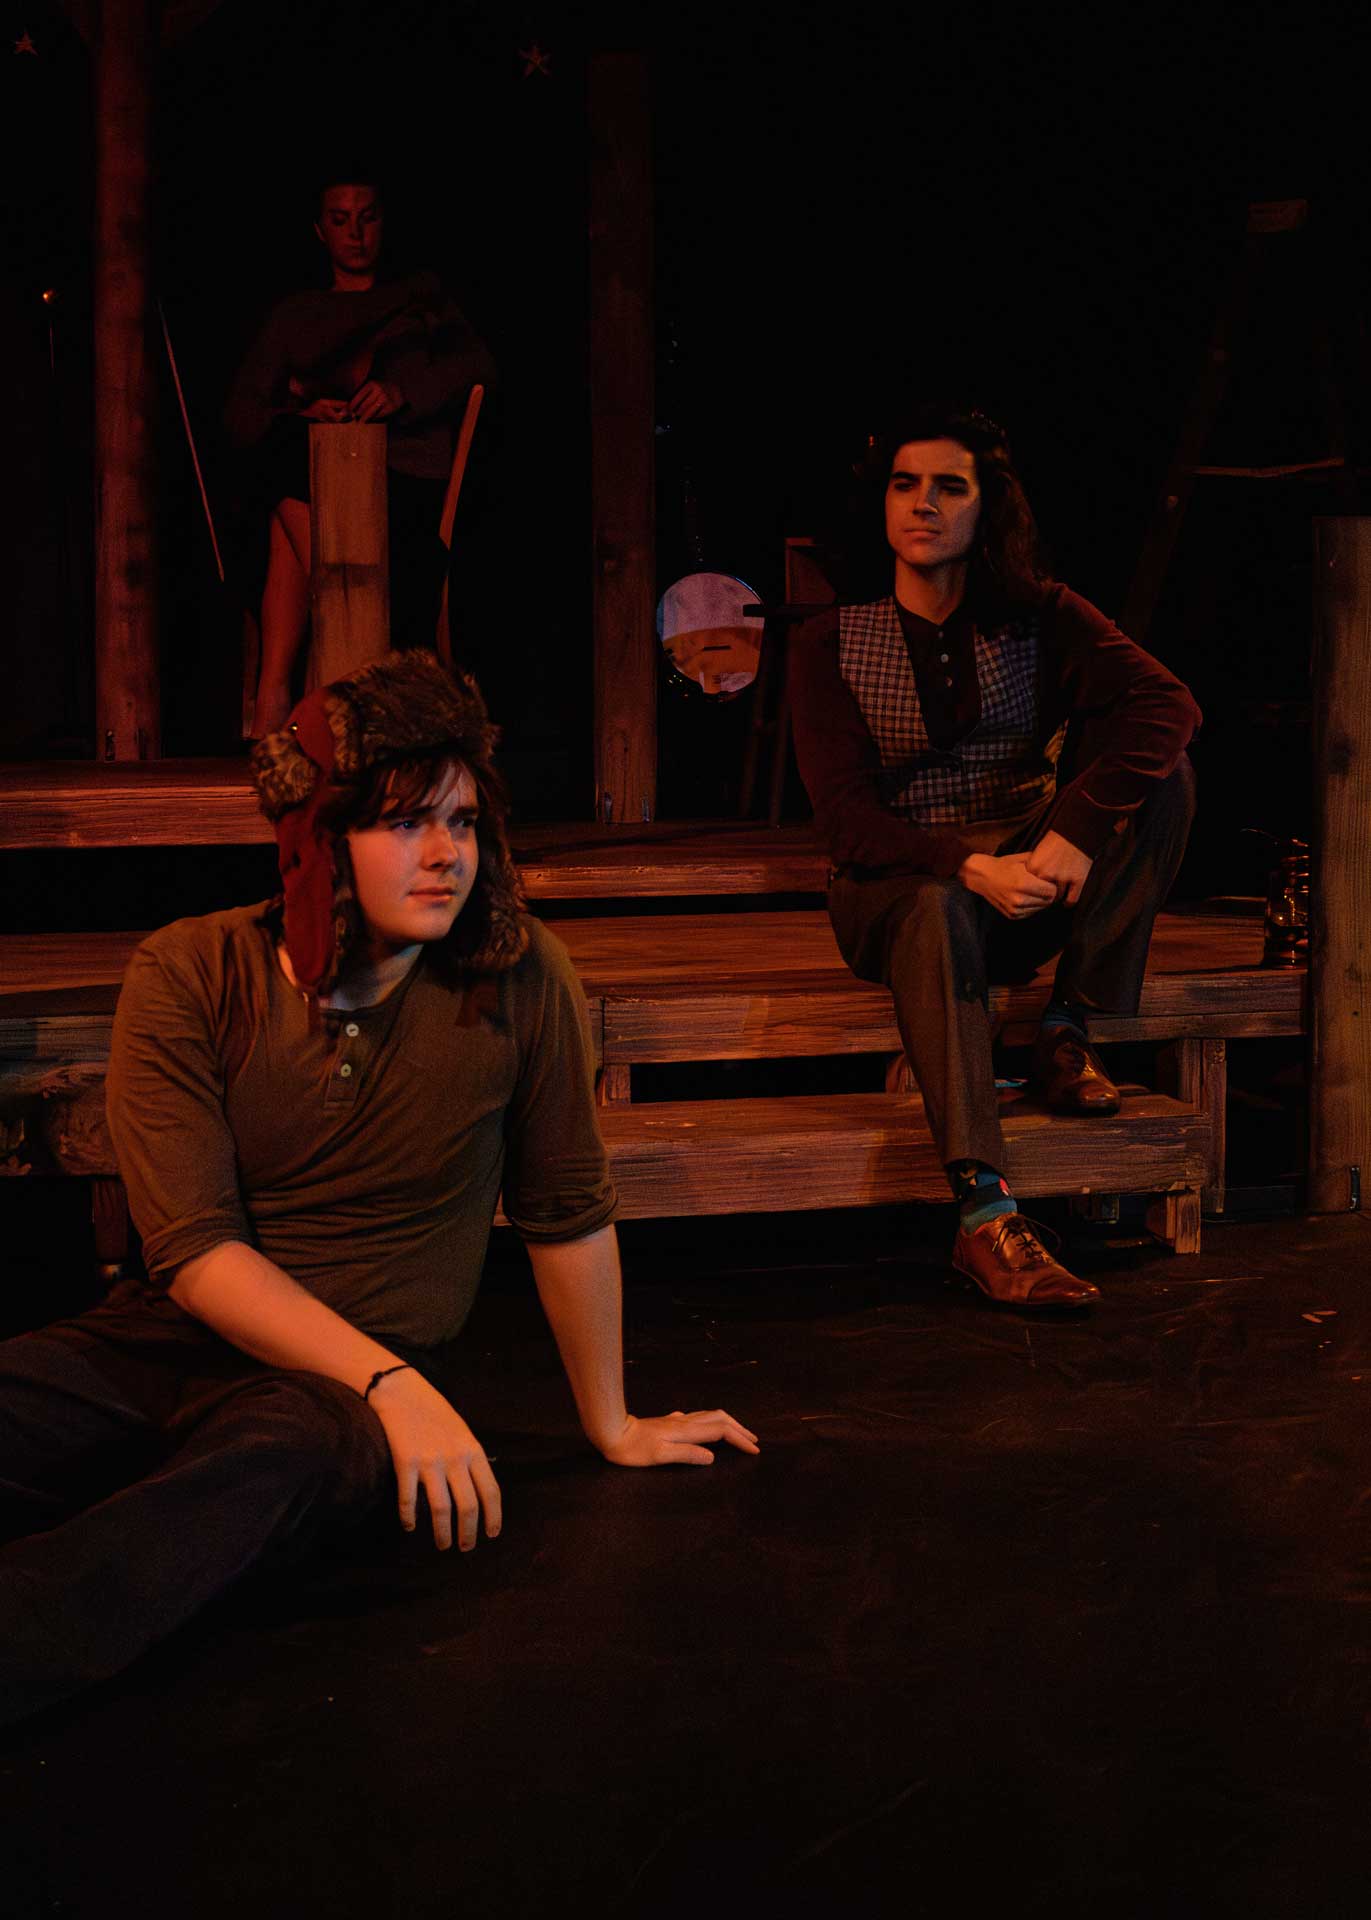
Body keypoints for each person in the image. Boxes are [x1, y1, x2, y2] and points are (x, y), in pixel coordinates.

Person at [0, 652, 758, 1728]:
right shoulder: (192, 969)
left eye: (463, 822)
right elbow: (196, 1252)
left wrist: (612, 1422)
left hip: (330, 1395)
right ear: (322, 839)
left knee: (272, 1466)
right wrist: (396, 1386)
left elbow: (567, 1212)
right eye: (406, 823)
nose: (447, 854)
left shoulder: (518, 978)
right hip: (171, 1339)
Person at [789, 404, 1200, 1312]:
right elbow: (847, 824)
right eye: (905, 484)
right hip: (894, 893)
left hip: (1026, 877)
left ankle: (1066, 1028)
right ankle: (983, 1214)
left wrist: (1074, 829)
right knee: (935, 906)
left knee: (1163, 777)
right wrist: (969, 866)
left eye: (950, 487)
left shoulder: (1039, 615)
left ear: (987, 509)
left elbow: (1167, 705)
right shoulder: (830, 641)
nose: (923, 504)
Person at [225, 175, 497, 735]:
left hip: (401, 484)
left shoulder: (420, 301)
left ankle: (280, 691)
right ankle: (337, 612)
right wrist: (303, 411)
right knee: (281, 457)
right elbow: (241, 412)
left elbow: (478, 367)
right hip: (317, 485)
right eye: (340, 219)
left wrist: (403, 393)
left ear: (384, 222)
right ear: (319, 230)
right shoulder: (299, 313)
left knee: (284, 505)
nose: (355, 232)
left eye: (367, 217)